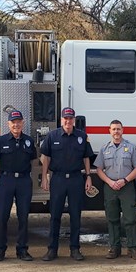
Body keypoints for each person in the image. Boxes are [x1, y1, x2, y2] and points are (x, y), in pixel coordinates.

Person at [40, 107, 94, 261]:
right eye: (65, 118)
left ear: (74, 120)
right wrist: (44, 176)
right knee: (55, 215)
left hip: (76, 179)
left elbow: (86, 158)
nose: (68, 121)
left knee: (75, 215)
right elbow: (46, 158)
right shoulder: (52, 136)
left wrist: (89, 177)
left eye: (70, 118)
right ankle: (52, 250)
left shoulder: (82, 136)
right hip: (58, 179)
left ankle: (75, 249)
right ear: (61, 119)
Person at [94, 120, 136, 260]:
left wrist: (125, 180)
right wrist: (110, 182)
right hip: (110, 187)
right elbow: (98, 169)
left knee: (130, 218)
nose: (116, 132)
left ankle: (133, 249)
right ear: (109, 131)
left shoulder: (131, 147)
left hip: (126, 187)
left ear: (123, 130)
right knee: (112, 218)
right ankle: (114, 248)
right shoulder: (104, 149)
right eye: (114, 129)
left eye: (118, 129)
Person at [0, 110, 37, 262]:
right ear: (8, 124)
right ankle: (0, 250)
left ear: (23, 123)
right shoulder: (1, 141)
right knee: (2, 217)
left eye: (18, 121)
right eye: (13, 122)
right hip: (6, 181)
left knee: (23, 217)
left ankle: (22, 250)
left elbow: (32, 160)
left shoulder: (29, 141)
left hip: (24, 181)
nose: (16, 124)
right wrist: (4, 176)